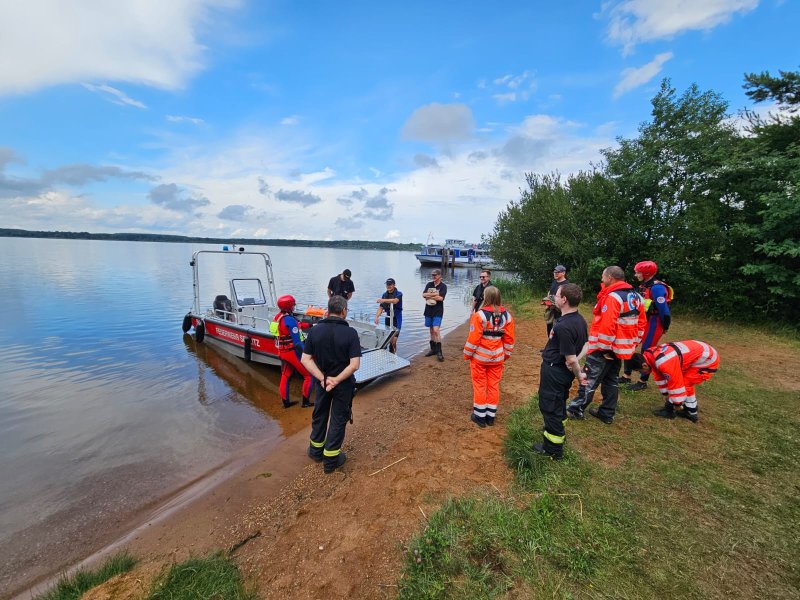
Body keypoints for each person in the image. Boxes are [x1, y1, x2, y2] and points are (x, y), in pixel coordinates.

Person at [566, 266, 646, 424]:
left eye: (603, 276)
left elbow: (607, 326)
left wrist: (604, 349)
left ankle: (576, 410)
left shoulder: (613, 297)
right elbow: (642, 324)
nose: (601, 279)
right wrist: (632, 344)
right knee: (611, 380)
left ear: (610, 277)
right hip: (621, 349)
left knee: (588, 379)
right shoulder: (637, 297)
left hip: (605, 349)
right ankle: (607, 412)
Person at [301, 296, 362, 474]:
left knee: (319, 414)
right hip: (342, 385)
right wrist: (336, 380)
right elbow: (354, 365)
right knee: (338, 419)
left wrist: (322, 378)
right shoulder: (350, 333)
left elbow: (305, 359)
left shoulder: (315, 331)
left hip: (323, 383)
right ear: (343, 311)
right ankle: (330, 461)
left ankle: (315, 451)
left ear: (328, 310)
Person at [533, 283, 588, 460]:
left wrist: (579, 374)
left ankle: (553, 450)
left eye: (556, 295)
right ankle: (555, 428)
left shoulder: (563, 326)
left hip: (555, 371)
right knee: (558, 402)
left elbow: (570, 358)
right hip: (562, 373)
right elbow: (586, 344)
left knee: (549, 406)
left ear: (564, 300)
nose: (554, 298)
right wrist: (575, 364)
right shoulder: (580, 320)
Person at [626, 340, 719, 423]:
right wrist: (665, 394)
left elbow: (675, 383)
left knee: (685, 383)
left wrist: (677, 404)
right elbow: (659, 376)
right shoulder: (649, 356)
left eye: (639, 370)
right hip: (701, 353)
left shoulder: (664, 362)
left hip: (708, 360)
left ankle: (684, 412)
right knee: (685, 383)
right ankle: (691, 410)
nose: (640, 373)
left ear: (644, 365)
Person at [463, 286, 515, 428]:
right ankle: (490, 417)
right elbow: (509, 340)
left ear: (486, 297)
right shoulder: (507, 316)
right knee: (493, 386)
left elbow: (474, 339)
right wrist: (506, 355)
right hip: (497, 358)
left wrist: (467, 354)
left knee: (480, 385)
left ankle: (480, 416)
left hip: (480, 358)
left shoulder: (479, 315)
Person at [621, 261, 673, 391]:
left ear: (646, 273)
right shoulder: (643, 285)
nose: (636, 274)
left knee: (647, 351)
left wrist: (665, 326)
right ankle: (626, 375)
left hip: (654, 323)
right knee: (630, 345)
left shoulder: (657, 288)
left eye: (638, 272)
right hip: (642, 320)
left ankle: (642, 381)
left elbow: (664, 311)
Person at [270, 295, 313, 408]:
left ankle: (286, 403)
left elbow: (296, 326)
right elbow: (297, 342)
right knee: (308, 376)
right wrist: (307, 354)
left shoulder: (278, 317)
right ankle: (306, 402)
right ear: (289, 306)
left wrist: (310, 325)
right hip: (292, 352)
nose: (294, 306)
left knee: (286, 375)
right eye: (293, 304)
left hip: (282, 352)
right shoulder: (289, 319)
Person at [422, 269, 447, 361]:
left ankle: (439, 351)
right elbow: (423, 295)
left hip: (438, 310)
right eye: (432, 275)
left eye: (435, 275)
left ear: (440, 276)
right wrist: (433, 295)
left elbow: (441, 298)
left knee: (436, 330)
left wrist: (429, 295)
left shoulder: (443, 286)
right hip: (428, 310)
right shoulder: (429, 284)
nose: (433, 276)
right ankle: (433, 349)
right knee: (431, 330)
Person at [374, 277, 403, 353]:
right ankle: (388, 356)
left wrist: (383, 300)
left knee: (393, 341)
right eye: (387, 284)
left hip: (397, 318)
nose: (388, 286)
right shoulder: (385, 294)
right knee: (387, 339)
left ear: (394, 285)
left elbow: (395, 301)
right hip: (388, 318)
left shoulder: (399, 294)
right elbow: (381, 307)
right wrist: (376, 316)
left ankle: (394, 355)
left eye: (390, 284)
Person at [543, 265, 569, 336]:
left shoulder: (566, 285)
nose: (555, 273)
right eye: (554, 272)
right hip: (551, 312)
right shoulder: (554, 282)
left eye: (558, 272)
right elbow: (550, 292)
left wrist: (554, 304)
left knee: (557, 333)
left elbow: (566, 301)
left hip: (560, 315)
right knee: (550, 331)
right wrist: (547, 301)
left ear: (563, 273)